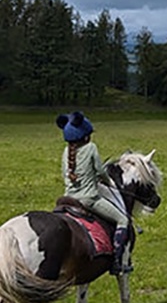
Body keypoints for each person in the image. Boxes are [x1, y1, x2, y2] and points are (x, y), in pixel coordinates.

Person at [56, 111, 131, 275]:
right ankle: (117, 262)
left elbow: (65, 174)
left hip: (68, 198)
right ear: (85, 136)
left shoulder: (65, 152)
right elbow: (100, 170)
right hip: (89, 199)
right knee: (123, 220)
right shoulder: (91, 148)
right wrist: (106, 181)